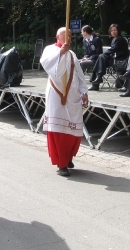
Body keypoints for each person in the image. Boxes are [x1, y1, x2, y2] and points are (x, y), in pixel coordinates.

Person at [40, 27, 89, 177]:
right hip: (56, 93)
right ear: (57, 36)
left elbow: (79, 74)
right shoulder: (50, 49)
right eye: (64, 34)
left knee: (74, 129)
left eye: (69, 35)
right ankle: (61, 163)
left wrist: (84, 92)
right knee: (59, 130)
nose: (67, 37)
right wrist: (61, 52)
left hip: (73, 95)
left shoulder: (73, 54)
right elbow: (48, 65)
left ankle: (68, 157)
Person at [88, 24, 129, 91]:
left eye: (115, 30)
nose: (113, 32)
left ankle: (96, 82)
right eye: (112, 30)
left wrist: (103, 55)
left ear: (118, 31)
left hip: (120, 61)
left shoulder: (120, 40)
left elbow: (112, 50)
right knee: (100, 59)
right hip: (114, 60)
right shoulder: (113, 40)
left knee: (101, 57)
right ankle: (97, 79)